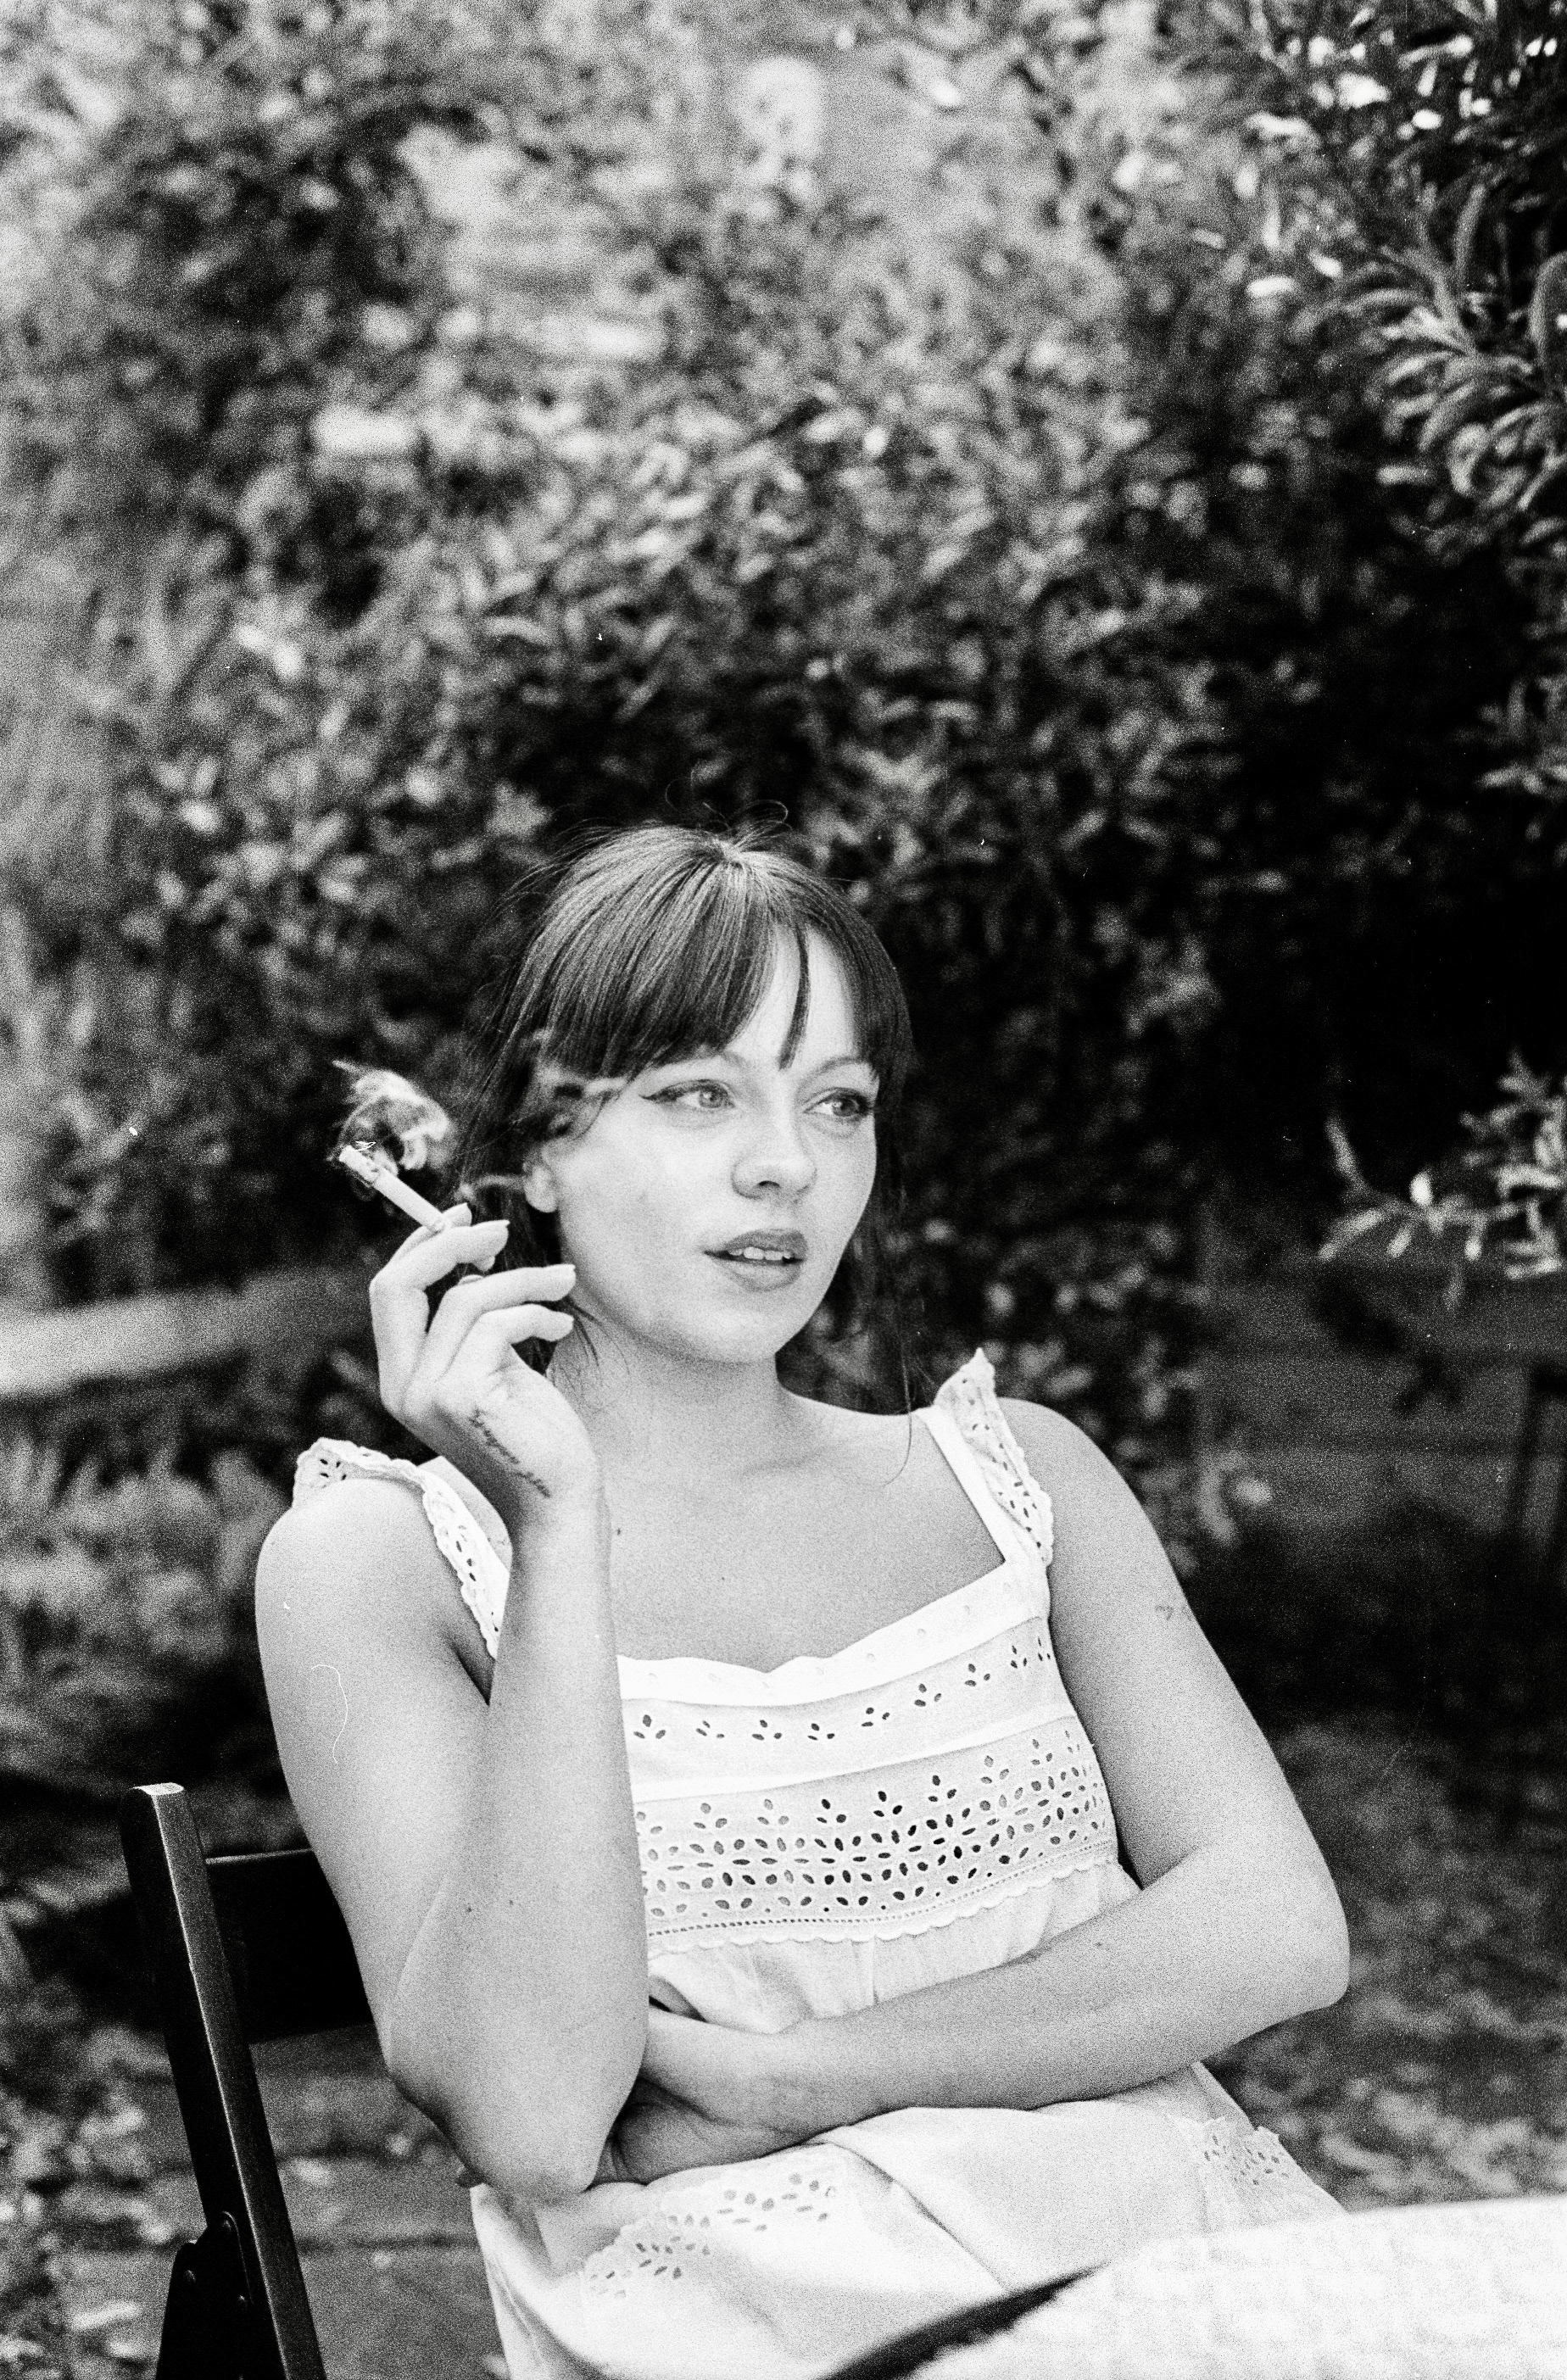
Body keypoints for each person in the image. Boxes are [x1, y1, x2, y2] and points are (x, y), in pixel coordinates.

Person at [256, 824, 1349, 2380]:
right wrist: (557, 1527)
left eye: (839, 1101)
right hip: (771, 2331)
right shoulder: (380, 1562)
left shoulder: (1020, 1480)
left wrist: (795, 2078)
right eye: (701, 1093)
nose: (788, 1163)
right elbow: (537, 2117)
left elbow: (1278, 1927)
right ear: (539, 1154)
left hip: (1186, 2281)